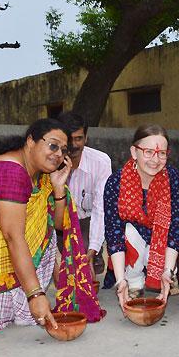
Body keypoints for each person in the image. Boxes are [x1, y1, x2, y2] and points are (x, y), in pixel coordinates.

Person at [0, 119, 103, 333]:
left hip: (5, 234)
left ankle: (20, 306)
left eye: (63, 150)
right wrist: (36, 295)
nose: (58, 154)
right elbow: (13, 236)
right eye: (52, 145)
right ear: (31, 141)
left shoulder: (40, 174)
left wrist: (59, 187)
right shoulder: (11, 172)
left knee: (42, 229)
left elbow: (58, 224)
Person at [103, 124, 179, 311]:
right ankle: (133, 281)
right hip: (132, 242)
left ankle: (167, 274)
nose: (155, 160)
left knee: (166, 254)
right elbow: (113, 233)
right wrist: (120, 280)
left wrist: (167, 270)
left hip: (161, 240)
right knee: (128, 232)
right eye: (148, 152)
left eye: (161, 153)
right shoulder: (115, 182)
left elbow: (177, 227)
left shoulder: (175, 179)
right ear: (134, 152)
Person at [56, 111, 111, 277]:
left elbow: (100, 210)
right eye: (68, 139)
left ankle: (94, 255)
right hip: (58, 223)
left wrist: (91, 251)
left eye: (78, 138)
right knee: (63, 267)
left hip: (86, 222)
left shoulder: (101, 162)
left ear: (86, 138)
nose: (73, 145)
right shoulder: (48, 160)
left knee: (85, 263)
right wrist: (55, 257)